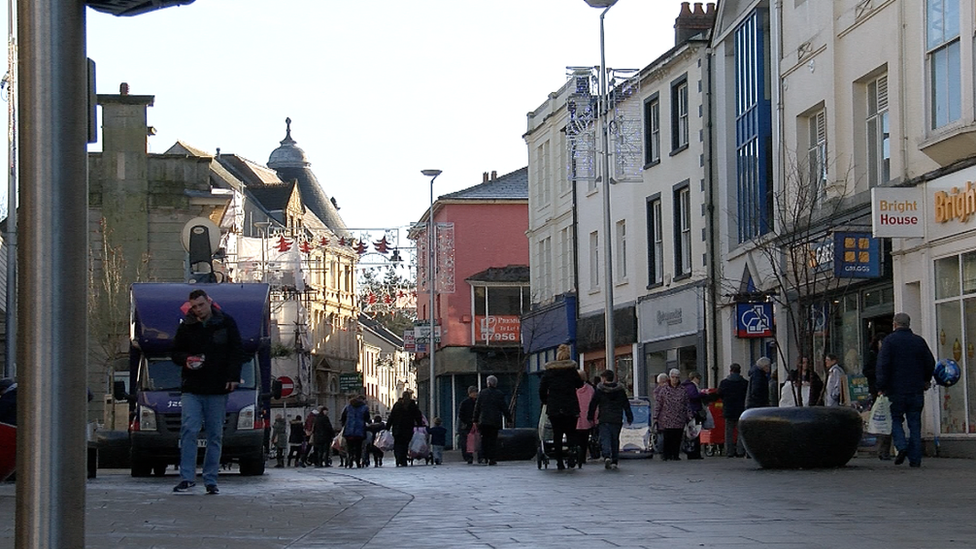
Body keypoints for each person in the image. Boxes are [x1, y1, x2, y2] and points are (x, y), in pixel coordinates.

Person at [171, 288, 245, 495]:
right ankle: (187, 478)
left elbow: (236, 351)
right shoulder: (187, 326)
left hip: (218, 387)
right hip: (192, 387)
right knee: (189, 430)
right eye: (194, 307)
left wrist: (232, 377)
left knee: (215, 435)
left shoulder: (225, 322)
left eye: (201, 305)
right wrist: (186, 359)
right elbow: (175, 352)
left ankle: (210, 479)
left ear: (209, 302)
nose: (198, 310)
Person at [876, 312, 935, 468]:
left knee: (895, 419)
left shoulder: (889, 342)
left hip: (895, 390)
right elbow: (930, 363)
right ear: (909, 324)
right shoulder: (919, 342)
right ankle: (915, 459)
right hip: (916, 390)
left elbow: (883, 366)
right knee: (915, 423)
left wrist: (881, 386)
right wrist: (926, 380)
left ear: (895, 324)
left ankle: (901, 446)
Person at [538, 343, 584, 470]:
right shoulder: (572, 371)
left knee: (557, 434)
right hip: (570, 406)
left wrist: (546, 401)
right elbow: (580, 384)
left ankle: (559, 462)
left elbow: (542, 389)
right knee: (571, 433)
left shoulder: (549, 372)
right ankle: (571, 456)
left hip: (554, 407)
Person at [587, 369, 633, 470]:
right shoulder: (620, 390)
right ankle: (614, 460)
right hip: (617, 418)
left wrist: (590, 416)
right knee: (615, 439)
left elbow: (593, 403)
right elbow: (626, 404)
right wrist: (629, 416)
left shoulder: (600, 390)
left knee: (605, 438)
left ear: (604, 378)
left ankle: (607, 456)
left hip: (604, 417)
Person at [472, 375, 512, 466]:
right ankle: (492, 458)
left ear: (488, 383)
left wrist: (475, 419)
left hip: (484, 420)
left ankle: (484, 457)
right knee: (493, 440)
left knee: (484, 439)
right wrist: (509, 419)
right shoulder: (499, 394)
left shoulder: (482, 393)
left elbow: (477, 407)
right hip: (495, 421)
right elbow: (504, 407)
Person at [864, 333, 892, 460]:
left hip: (886, 390)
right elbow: (866, 371)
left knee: (887, 419)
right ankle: (882, 449)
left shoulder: (887, 355)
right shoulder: (873, 356)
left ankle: (885, 449)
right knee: (883, 419)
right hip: (878, 391)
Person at [654, 368, 691, 461]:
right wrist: (656, 417)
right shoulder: (664, 390)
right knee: (667, 437)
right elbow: (658, 403)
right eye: (673, 377)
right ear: (670, 378)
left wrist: (689, 415)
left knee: (677, 437)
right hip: (667, 418)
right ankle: (666, 455)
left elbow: (687, 403)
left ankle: (675, 454)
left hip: (679, 417)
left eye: (677, 378)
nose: (675, 379)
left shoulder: (683, 390)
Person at [717, 364, 748, 458]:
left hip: (729, 409)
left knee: (729, 432)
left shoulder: (724, 383)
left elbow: (720, 394)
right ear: (740, 371)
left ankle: (729, 451)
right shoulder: (744, 383)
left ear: (730, 370)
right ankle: (740, 451)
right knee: (740, 432)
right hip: (740, 409)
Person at [387, 390, 423, 467]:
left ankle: (398, 458)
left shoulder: (397, 405)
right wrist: (420, 424)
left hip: (397, 429)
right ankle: (403, 459)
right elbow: (418, 416)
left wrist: (387, 427)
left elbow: (391, 417)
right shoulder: (412, 405)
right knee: (405, 444)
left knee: (397, 444)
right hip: (407, 428)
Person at [680, 371, 707, 459]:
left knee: (691, 432)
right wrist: (702, 394)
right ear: (694, 378)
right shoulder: (691, 386)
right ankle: (694, 452)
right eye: (698, 378)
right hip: (694, 411)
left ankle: (692, 451)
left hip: (691, 412)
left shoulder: (686, 386)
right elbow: (693, 396)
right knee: (695, 432)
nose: (699, 381)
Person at [340, 394, 370, 468]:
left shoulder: (348, 407)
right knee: (358, 447)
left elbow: (343, 418)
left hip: (349, 431)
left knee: (349, 446)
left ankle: (350, 458)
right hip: (359, 431)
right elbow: (367, 418)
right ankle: (357, 461)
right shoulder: (364, 408)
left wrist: (344, 425)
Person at [575, 370, 597, 466]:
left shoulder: (571, 389)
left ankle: (575, 456)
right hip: (587, 419)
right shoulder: (590, 389)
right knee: (584, 440)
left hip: (574, 418)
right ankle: (582, 457)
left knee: (574, 439)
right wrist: (595, 419)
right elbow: (594, 405)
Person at [457, 386, 479, 464]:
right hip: (467, 425)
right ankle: (468, 457)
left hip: (476, 424)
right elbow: (461, 414)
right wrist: (468, 421)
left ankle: (480, 456)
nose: (476, 394)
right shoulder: (465, 403)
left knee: (478, 440)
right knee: (466, 442)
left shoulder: (478, 402)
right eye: (474, 392)